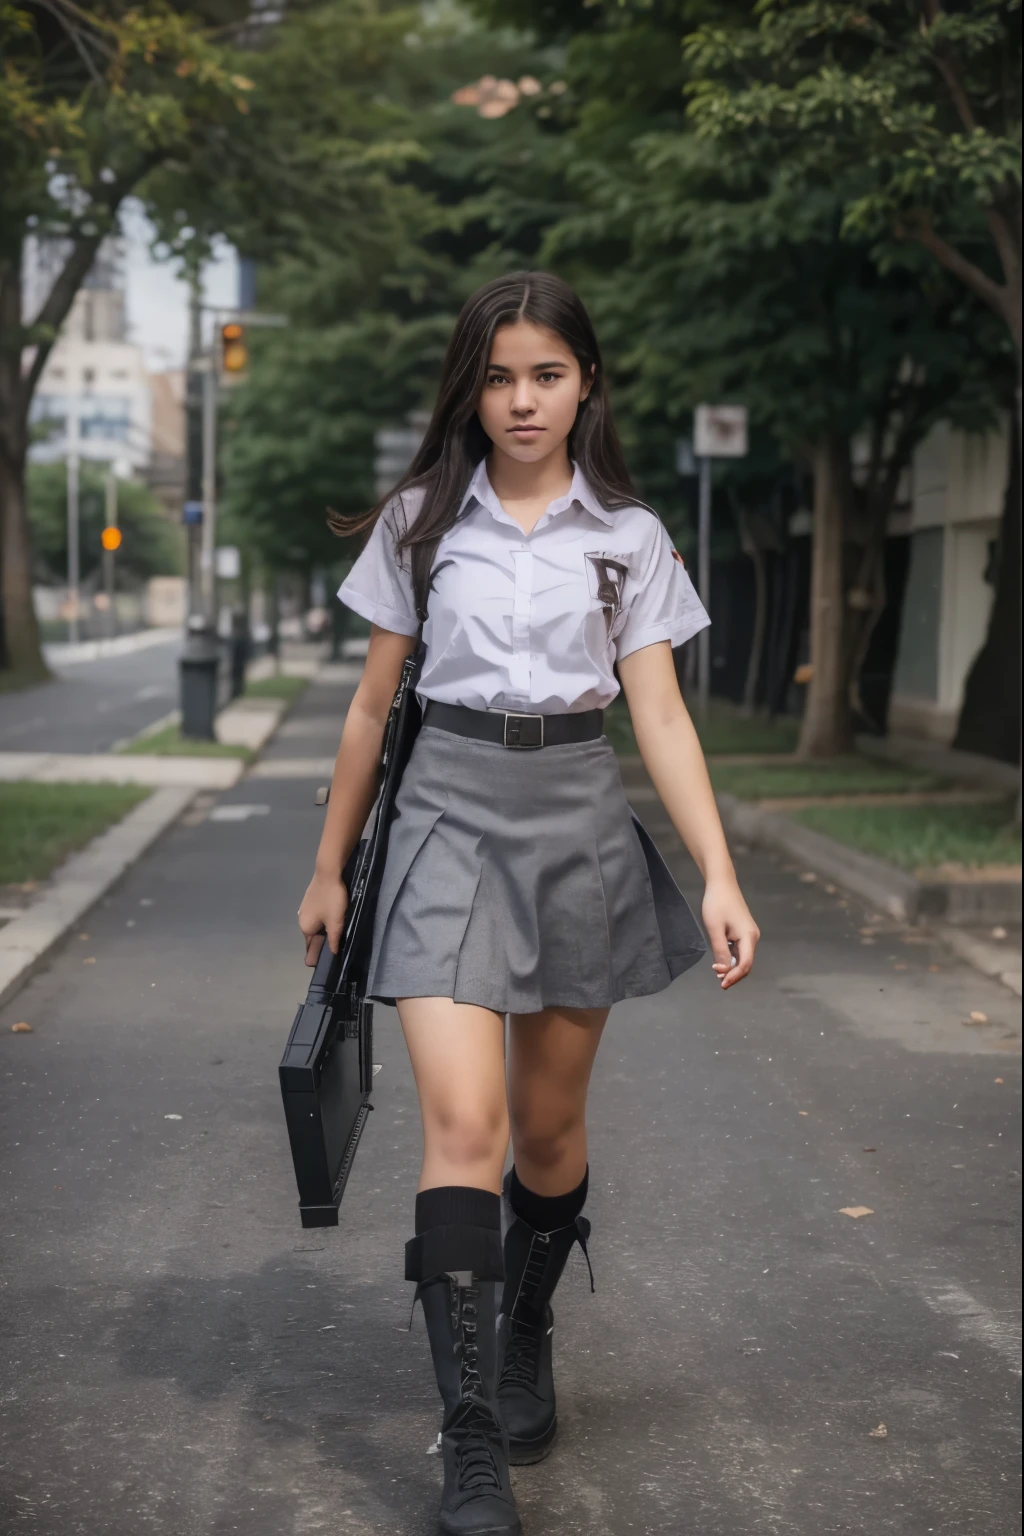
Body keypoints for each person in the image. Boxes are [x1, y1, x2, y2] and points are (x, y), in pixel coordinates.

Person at [298, 271, 760, 1536]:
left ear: (585, 384)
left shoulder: (630, 538)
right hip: (443, 809)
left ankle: (528, 1322)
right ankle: (468, 1440)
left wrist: (717, 873)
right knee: (463, 1118)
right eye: (498, 376)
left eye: (545, 374)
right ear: (471, 386)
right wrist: (333, 865)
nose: (520, 400)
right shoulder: (418, 524)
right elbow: (366, 708)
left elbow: (656, 711)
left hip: (575, 818)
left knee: (547, 1139)